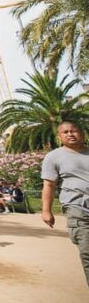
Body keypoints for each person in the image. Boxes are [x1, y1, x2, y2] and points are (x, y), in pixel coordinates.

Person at [41, 121, 89, 286]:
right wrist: (46, 211)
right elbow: (49, 185)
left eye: (73, 131)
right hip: (78, 209)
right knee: (87, 252)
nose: (70, 134)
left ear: (81, 132)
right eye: (66, 132)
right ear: (60, 137)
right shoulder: (54, 156)